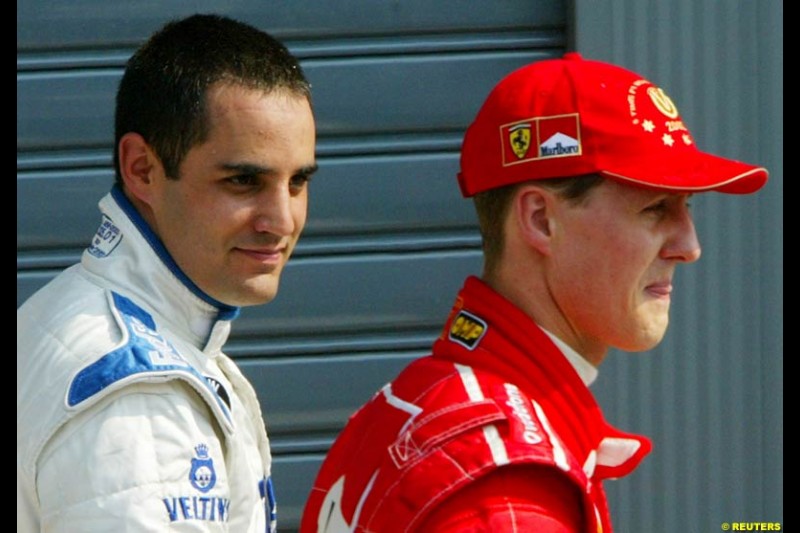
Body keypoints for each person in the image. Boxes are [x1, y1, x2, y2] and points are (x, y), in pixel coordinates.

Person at [300, 52, 768, 532]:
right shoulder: (510, 487)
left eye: (687, 207)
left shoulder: (414, 398)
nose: (690, 247)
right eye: (655, 208)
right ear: (542, 220)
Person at [17, 13, 317, 532]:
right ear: (142, 170)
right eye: (245, 180)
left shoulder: (73, 314)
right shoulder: (140, 394)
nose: (282, 221)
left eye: (297, 182)